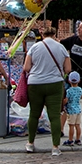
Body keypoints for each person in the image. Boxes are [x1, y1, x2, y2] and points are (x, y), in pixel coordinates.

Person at [22, 26, 71, 155]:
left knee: (34, 114)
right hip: (54, 83)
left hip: (35, 83)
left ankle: (30, 143)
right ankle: (55, 147)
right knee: (54, 116)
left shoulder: (34, 47)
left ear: (43, 35)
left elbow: (26, 67)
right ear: (55, 35)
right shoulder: (61, 48)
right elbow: (68, 69)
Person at [64, 71, 82, 146]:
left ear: (69, 80)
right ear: (79, 80)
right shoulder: (80, 89)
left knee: (71, 126)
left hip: (71, 110)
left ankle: (70, 140)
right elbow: (81, 97)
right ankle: (78, 139)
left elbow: (66, 100)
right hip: (78, 109)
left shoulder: (68, 91)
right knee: (77, 125)